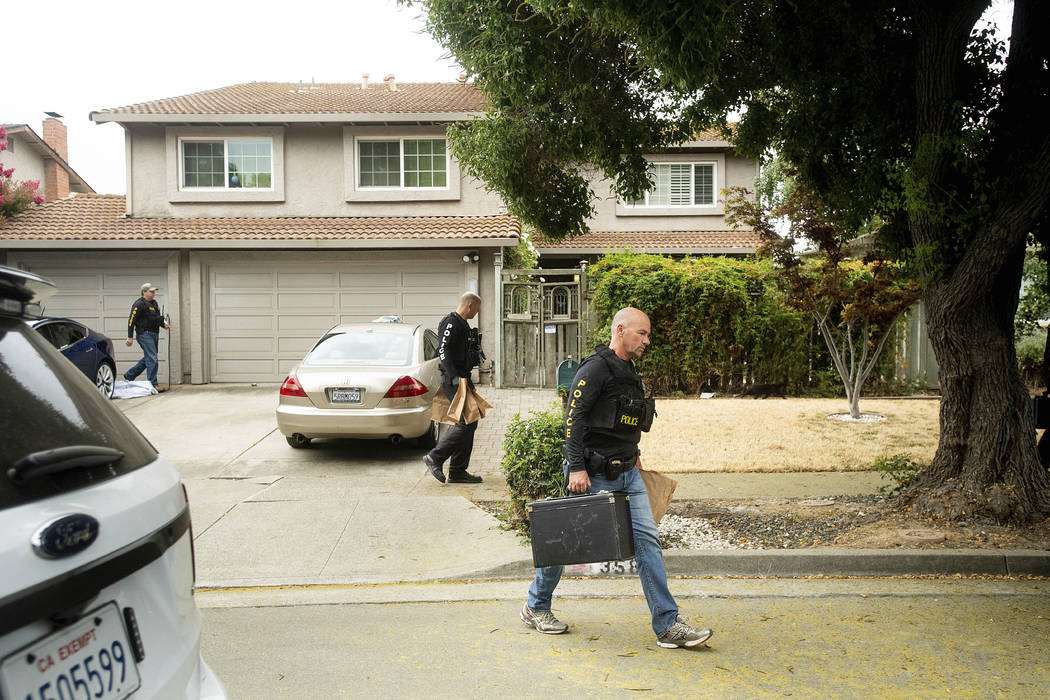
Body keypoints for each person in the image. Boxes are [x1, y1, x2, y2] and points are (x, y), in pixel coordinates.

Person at [520, 307, 714, 649]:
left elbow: (623, 419)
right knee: (568, 544)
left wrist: (635, 458)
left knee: (647, 544)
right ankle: (536, 606)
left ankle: (667, 626)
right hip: (592, 473)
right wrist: (576, 466)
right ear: (620, 330)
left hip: (628, 474)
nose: (647, 340)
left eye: (648, 334)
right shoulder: (595, 368)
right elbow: (573, 420)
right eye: (642, 333)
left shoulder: (628, 370)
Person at [424, 292, 485, 484]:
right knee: (465, 423)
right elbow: (444, 350)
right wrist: (454, 377)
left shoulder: (463, 324)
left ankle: (458, 470)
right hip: (454, 379)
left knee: (470, 420)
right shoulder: (450, 322)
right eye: (477, 308)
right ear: (469, 305)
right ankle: (436, 457)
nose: (477, 312)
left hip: (462, 378)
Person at [124, 282, 169, 392]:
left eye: (154, 292)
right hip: (144, 334)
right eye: (151, 291)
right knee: (152, 358)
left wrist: (163, 324)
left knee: (149, 358)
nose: (153, 293)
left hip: (154, 333)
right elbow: (131, 320)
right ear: (144, 292)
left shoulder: (154, 303)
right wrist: (130, 337)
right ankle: (152, 385)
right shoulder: (139, 304)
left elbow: (157, 318)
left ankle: (130, 375)